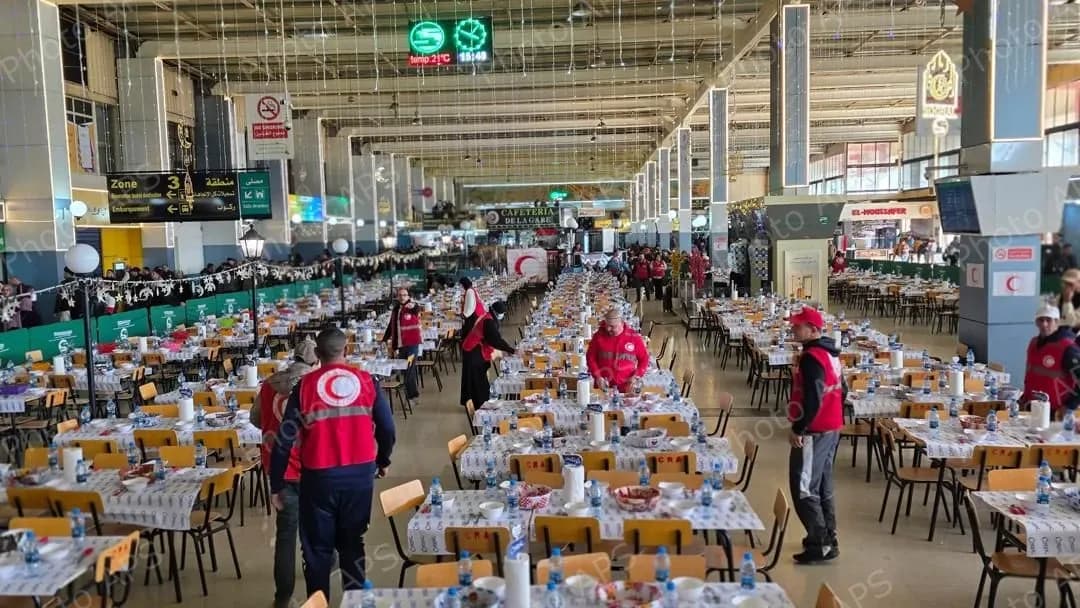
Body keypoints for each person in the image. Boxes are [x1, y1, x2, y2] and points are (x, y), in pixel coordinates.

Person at [270, 329, 396, 603]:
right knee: (352, 545)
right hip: (360, 477)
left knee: (317, 551)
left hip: (318, 480)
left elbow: (283, 440)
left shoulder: (304, 388)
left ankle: (319, 602)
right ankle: (355, 603)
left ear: (317, 355)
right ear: (346, 350)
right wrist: (383, 460)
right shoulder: (367, 381)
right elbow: (387, 428)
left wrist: (277, 485)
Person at [252, 340, 318, 608]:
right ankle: (318, 591)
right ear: (315, 361)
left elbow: (255, 418)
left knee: (286, 534)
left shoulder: (270, 384)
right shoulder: (314, 384)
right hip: (310, 467)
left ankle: (282, 596)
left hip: (279, 468)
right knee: (315, 530)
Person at [786, 306, 845, 564]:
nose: (793, 328)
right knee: (821, 485)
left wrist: (799, 428)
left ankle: (819, 544)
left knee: (804, 486)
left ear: (812, 329)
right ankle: (828, 537)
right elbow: (843, 390)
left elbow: (813, 398)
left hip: (815, 430)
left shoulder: (812, 358)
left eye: (797, 325)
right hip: (832, 427)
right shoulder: (830, 353)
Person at [1022, 305, 1080, 414]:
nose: (1044, 324)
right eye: (1041, 320)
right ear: (1036, 322)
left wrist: (1069, 406)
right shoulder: (1033, 343)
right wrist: (1024, 397)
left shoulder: (1068, 348)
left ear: (1057, 322)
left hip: (1055, 410)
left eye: (1048, 320)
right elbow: (1030, 373)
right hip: (1032, 405)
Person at [460, 300, 516, 408]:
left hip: (474, 348)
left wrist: (507, 350)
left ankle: (477, 401)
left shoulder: (488, 317)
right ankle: (480, 403)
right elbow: (496, 340)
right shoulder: (489, 321)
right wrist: (511, 350)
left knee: (476, 377)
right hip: (473, 349)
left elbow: (494, 339)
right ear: (497, 312)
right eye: (502, 313)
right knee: (477, 377)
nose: (503, 315)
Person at [586, 308, 650, 393]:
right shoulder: (598, 336)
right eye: (607, 325)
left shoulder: (634, 337)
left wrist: (636, 376)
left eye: (612, 326)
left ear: (622, 323)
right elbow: (590, 358)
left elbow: (644, 359)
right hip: (604, 386)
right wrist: (597, 376)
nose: (608, 329)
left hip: (627, 387)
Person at [382, 287, 422, 409]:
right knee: (405, 371)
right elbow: (391, 325)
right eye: (400, 295)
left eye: (404, 295)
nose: (402, 297)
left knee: (409, 370)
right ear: (397, 297)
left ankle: (410, 398)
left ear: (408, 296)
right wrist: (384, 339)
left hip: (412, 345)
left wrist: (413, 305)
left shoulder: (412, 307)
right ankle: (413, 395)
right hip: (401, 345)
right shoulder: (396, 309)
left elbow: (416, 309)